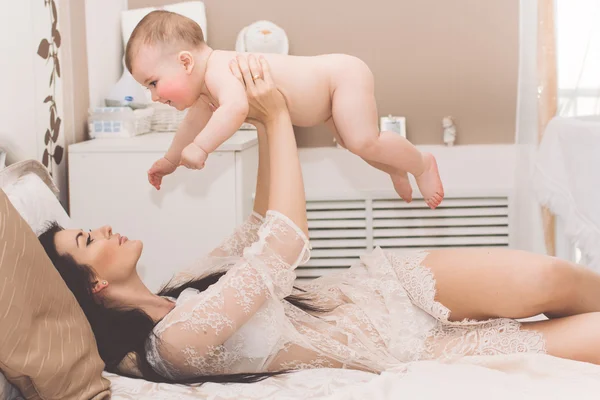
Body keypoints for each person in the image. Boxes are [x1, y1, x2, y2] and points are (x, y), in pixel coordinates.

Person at [39, 55, 600, 386]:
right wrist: (281, 119)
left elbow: (258, 228)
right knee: (570, 337)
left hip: (381, 289)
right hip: (394, 344)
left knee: (548, 277)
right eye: (88, 239)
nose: (104, 228)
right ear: (94, 283)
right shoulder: (172, 344)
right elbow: (282, 246)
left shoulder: (175, 289)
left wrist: (261, 124)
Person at [125, 10, 444, 209]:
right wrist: (170, 160)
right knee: (353, 144)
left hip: (340, 76)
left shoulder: (220, 68)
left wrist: (201, 147)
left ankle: (421, 164)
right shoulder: (205, 92)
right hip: (327, 101)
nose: (153, 96)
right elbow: (193, 123)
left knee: (363, 141)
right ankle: (395, 166)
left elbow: (234, 109)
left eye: (152, 83)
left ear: (185, 61)